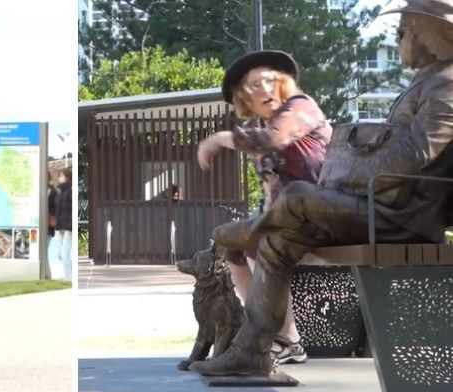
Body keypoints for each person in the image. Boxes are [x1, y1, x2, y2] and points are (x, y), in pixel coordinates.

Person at [192, 0, 453, 376]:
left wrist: (350, 181)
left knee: (296, 195)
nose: (397, 42)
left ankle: (256, 225)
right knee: (277, 242)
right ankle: (252, 352)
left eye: (402, 33)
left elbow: (414, 155)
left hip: (405, 217)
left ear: (427, 35)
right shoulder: (428, 80)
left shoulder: (446, 85)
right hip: (382, 205)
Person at [195, 49, 332, 365]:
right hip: (292, 217)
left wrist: (217, 139)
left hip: (329, 211)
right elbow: (271, 190)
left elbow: (275, 139)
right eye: (255, 86)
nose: (266, 90)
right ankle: (266, 332)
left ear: (283, 83)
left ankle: (287, 340)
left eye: (270, 80)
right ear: (245, 98)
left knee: (261, 242)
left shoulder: (300, 107)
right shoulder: (260, 125)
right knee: (232, 244)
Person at [53, 168, 73, 280]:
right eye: (59, 175)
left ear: (68, 177)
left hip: (68, 227)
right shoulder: (61, 192)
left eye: (62, 175)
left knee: (65, 253)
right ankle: (69, 274)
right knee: (60, 254)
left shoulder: (70, 190)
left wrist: (70, 228)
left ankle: (68, 278)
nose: (60, 178)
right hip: (60, 226)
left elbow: (71, 210)